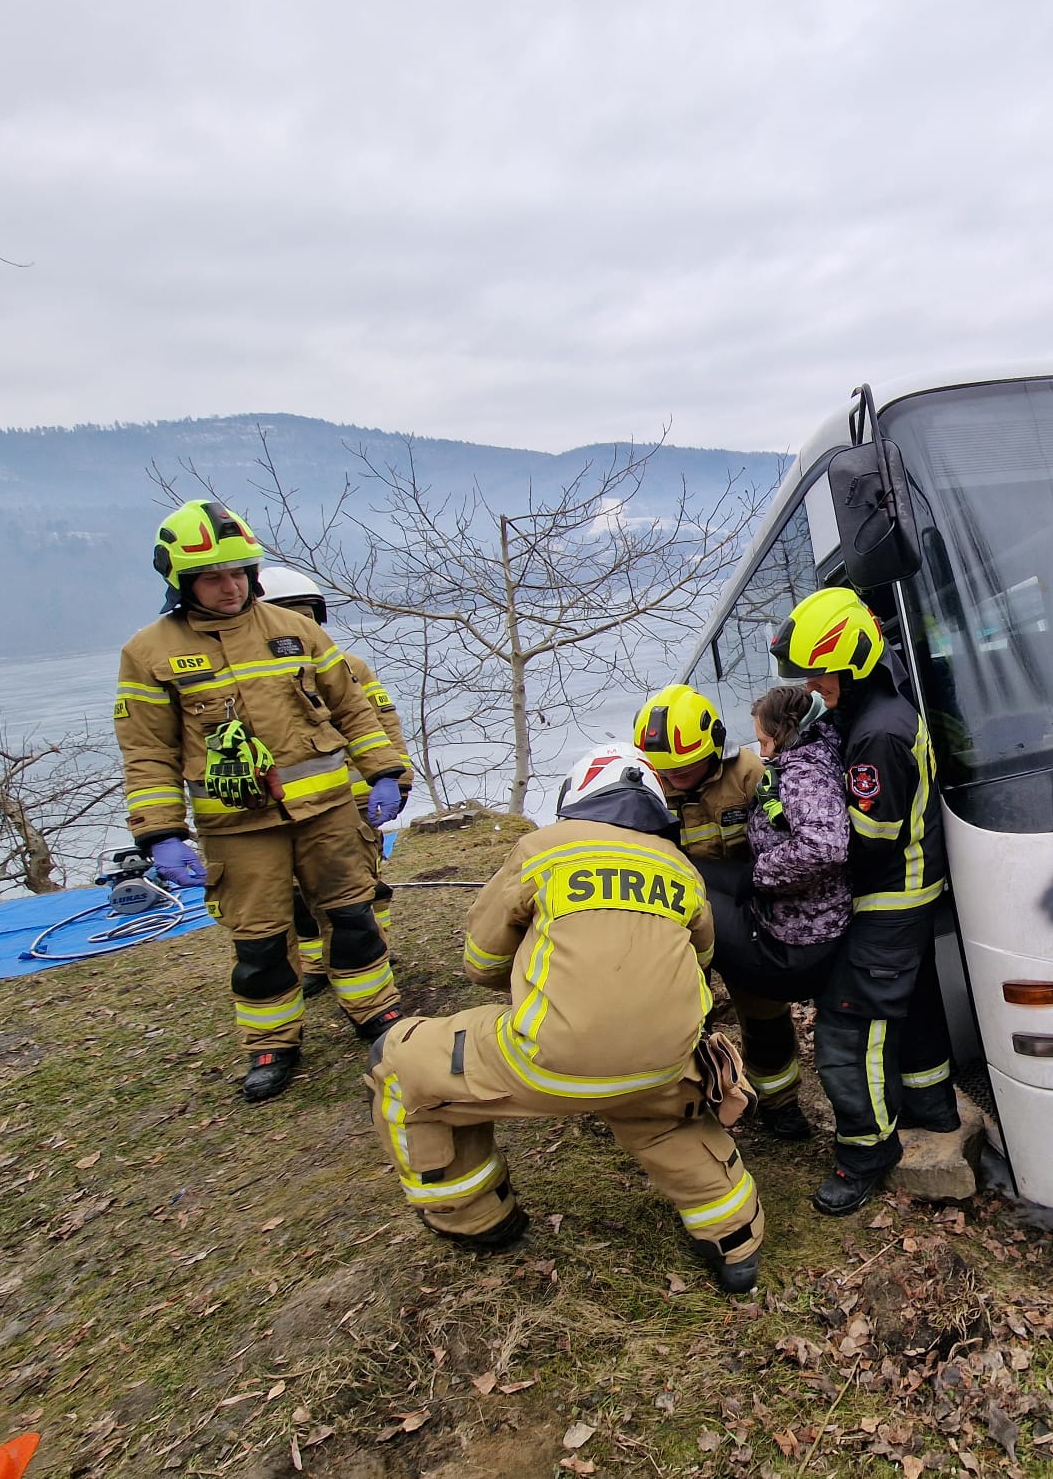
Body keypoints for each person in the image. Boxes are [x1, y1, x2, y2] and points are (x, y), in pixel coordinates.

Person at [364, 743, 764, 1292]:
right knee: (663, 1117)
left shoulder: (542, 848)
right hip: (666, 1065)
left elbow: (481, 963)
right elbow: (699, 962)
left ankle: (474, 1218)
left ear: (577, 795)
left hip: (550, 1061)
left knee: (398, 1062)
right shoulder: (682, 869)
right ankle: (736, 1241)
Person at [114, 501, 408, 1103]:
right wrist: (160, 833)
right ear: (180, 580)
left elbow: (353, 708)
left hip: (328, 814)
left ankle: (377, 1015)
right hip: (238, 830)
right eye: (214, 576)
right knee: (260, 941)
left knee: (353, 918)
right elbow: (148, 752)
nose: (231, 587)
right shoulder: (148, 654)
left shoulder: (294, 629)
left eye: (241, 572)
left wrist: (385, 773)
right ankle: (272, 1045)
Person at [769, 586, 960, 1216]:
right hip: (913, 889)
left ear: (847, 663)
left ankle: (865, 1152)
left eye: (817, 675)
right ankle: (931, 1105)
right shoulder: (880, 704)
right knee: (915, 1004)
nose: (812, 687)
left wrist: (792, 830)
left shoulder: (876, 735)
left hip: (888, 897)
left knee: (850, 1025)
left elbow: (869, 842)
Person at [257, 565, 414, 996]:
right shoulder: (254, 684)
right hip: (285, 804)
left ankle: (376, 951)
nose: (301, 626)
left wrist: (396, 778)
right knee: (296, 894)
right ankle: (315, 964)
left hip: (357, 798)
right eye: (290, 616)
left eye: (307, 616)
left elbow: (383, 722)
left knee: (360, 885)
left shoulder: (348, 667)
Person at [705, 684, 853, 1140]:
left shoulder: (801, 773)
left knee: (696, 886)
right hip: (802, 921)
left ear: (787, 732)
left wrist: (755, 876)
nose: (762, 751)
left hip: (794, 940)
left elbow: (826, 844)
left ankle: (776, 1105)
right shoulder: (812, 759)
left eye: (765, 741)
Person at [633, 683, 765, 862]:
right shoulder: (647, 786)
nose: (673, 775)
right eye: (664, 769)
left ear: (714, 748)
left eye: (685, 767)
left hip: (747, 880)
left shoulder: (747, 773)